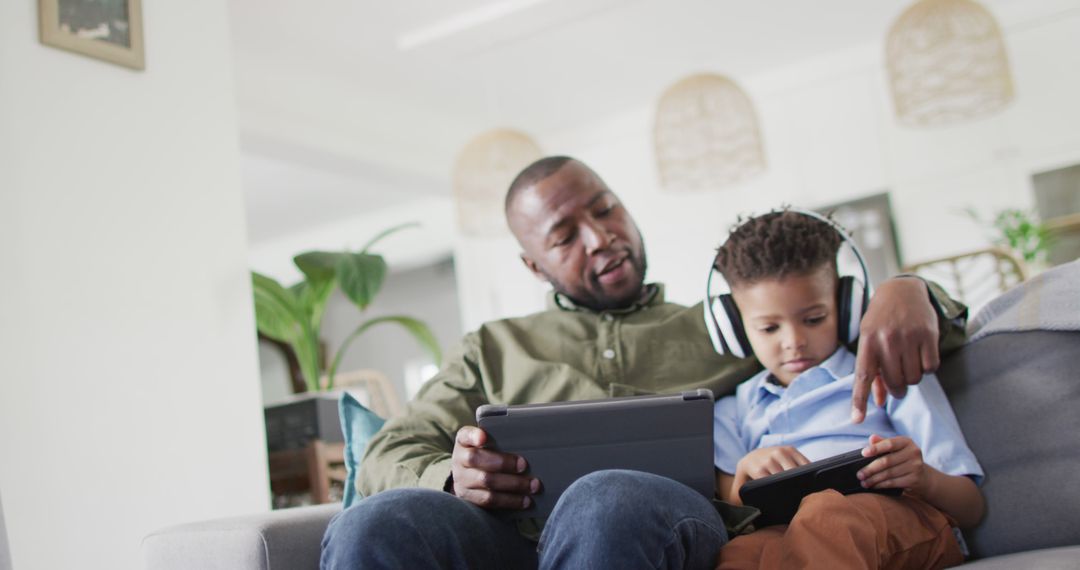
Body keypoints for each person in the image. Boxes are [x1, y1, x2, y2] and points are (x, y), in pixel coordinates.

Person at [320, 156, 968, 569]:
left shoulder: (729, 325)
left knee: (606, 496)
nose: (601, 237)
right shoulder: (492, 348)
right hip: (507, 539)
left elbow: (836, 331)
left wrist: (908, 290)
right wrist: (449, 479)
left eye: (605, 208)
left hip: (659, 529)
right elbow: (385, 454)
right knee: (378, 522)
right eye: (565, 235)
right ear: (533, 265)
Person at [709, 210, 984, 569]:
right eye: (768, 328)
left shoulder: (890, 374)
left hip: (906, 520)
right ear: (733, 327)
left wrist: (924, 478)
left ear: (847, 307)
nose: (793, 341)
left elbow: (972, 508)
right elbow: (733, 506)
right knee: (741, 554)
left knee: (825, 515)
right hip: (792, 531)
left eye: (813, 319)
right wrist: (747, 467)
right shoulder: (735, 409)